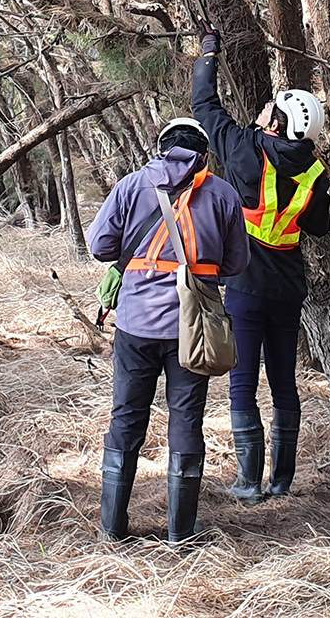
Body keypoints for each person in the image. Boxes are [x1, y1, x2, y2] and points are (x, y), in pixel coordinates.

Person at [87, 116, 250, 543]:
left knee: (126, 417)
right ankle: (181, 532)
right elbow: (237, 264)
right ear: (204, 154)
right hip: (192, 327)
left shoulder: (131, 185)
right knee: (186, 420)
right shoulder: (222, 194)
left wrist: (138, 256)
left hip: (137, 323)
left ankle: (112, 528)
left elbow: (99, 245)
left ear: (161, 148)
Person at [191, 29, 330, 503]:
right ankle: (282, 479)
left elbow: (205, 108)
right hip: (289, 286)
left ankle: (249, 483)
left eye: (273, 107)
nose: (265, 109)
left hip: (247, 284)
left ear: (278, 122)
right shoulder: (314, 171)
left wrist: (209, 53)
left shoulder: (248, 149)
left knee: (243, 381)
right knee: (284, 382)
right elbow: (319, 227)